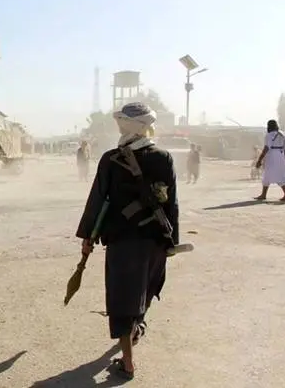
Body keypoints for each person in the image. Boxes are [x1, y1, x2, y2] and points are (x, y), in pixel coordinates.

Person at [75, 102, 179, 381]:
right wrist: (172, 241)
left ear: (131, 124)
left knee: (122, 298)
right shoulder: (163, 157)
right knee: (145, 289)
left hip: (122, 241)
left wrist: (87, 237)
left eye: (121, 122)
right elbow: (172, 204)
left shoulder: (111, 159)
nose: (119, 126)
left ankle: (129, 362)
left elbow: (97, 200)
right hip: (155, 239)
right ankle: (136, 328)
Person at [254, 119, 285, 201]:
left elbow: (266, 148)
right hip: (281, 155)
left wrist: (259, 160)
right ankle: (263, 195)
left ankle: (264, 195)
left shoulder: (269, 135)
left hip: (272, 156)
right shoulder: (282, 134)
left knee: (272, 175)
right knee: (275, 175)